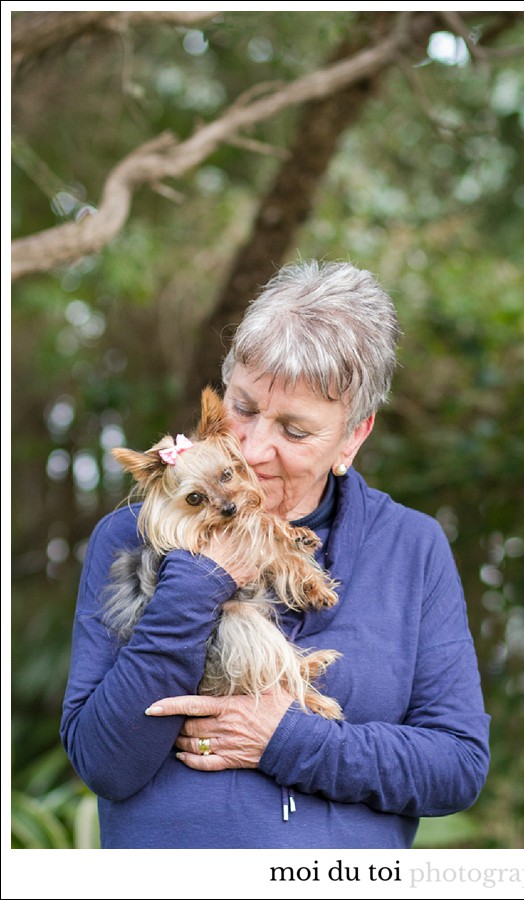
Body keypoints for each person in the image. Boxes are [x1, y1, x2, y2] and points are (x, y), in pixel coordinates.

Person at [60, 259, 490, 849]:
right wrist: (198, 580)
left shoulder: (411, 547)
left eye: (294, 430)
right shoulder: (133, 537)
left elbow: (456, 765)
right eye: (243, 408)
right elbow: (104, 762)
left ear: (353, 437)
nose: (255, 447)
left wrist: (286, 740)